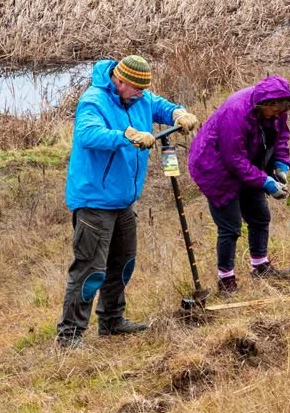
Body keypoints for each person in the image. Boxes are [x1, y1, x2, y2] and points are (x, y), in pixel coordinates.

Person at [58, 55, 197, 347]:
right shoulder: (93, 101)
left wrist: (177, 114)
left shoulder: (141, 99)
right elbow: (87, 134)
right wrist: (127, 135)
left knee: (123, 263)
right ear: (118, 81)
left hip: (123, 201)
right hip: (94, 201)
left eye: (144, 89)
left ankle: (111, 321)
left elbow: (160, 105)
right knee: (89, 269)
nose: (141, 93)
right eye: (135, 88)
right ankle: (70, 336)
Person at [187, 75, 290, 294]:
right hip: (215, 167)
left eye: (281, 113)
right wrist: (266, 181)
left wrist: (281, 165)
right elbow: (234, 159)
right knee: (230, 226)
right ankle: (226, 281)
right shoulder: (236, 113)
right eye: (274, 112)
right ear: (265, 104)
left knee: (260, 216)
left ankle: (260, 266)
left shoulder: (278, 109)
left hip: (249, 164)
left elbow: (281, 137)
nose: (277, 116)